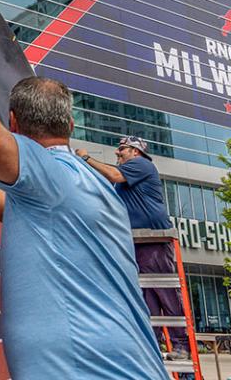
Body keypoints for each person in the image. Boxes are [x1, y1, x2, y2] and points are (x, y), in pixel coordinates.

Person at [0, 75, 167, 379]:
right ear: (70, 126)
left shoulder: (49, 172)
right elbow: (24, 211)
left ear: (12, 123)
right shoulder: (86, 185)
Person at [77, 136, 190, 359]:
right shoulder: (124, 181)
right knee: (148, 297)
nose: (118, 153)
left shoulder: (140, 165)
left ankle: (181, 344)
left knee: (165, 293)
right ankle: (153, 345)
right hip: (135, 241)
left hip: (154, 239)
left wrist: (86, 157)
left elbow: (113, 174)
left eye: (122, 149)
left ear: (136, 151)